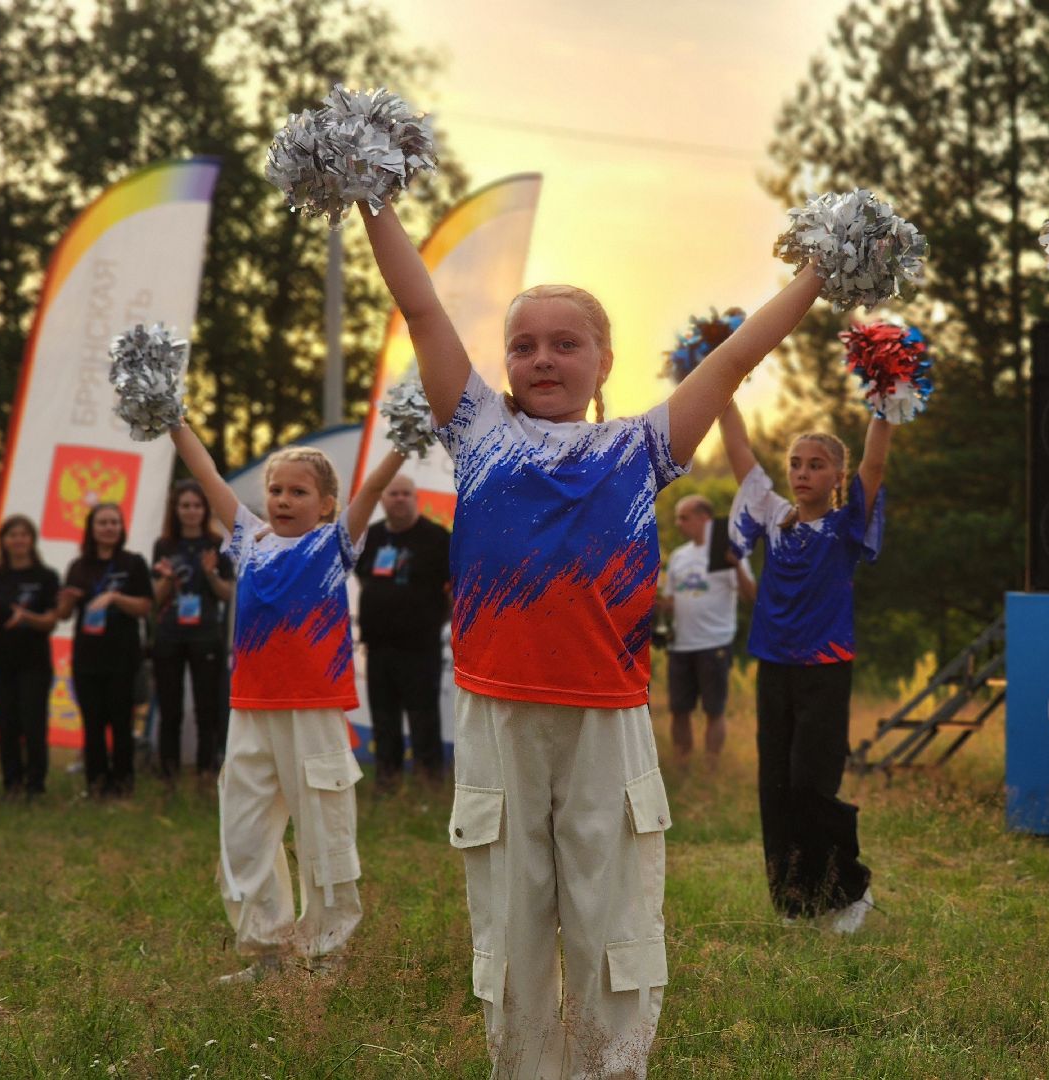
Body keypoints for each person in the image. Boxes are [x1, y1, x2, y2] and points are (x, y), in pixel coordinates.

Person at [360, 197, 822, 1077]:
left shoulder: (640, 447)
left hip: (607, 720)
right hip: (498, 718)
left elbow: (734, 359)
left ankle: (612, 1067)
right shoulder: (476, 429)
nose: (543, 358)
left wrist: (818, 273)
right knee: (514, 913)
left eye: (566, 343)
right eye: (524, 345)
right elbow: (419, 305)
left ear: (604, 361)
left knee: (612, 918)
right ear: (501, 364)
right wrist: (369, 195)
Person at [164, 420, 405, 984]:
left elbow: (369, 492)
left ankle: (323, 957)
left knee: (324, 831)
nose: (283, 500)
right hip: (250, 711)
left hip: (315, 711)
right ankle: (269, 956)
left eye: (298, 492)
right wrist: (174, 422)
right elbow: (206, 474)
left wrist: (403, 442)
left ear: (325, 505)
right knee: (244, 835)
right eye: (276, 490)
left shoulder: (333, 544)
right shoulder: (247, 539)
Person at [719, 402, 889, 935]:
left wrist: (885, 403)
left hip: (825, 669)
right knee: (775, 788)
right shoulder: (773, 516)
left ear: (837, 476)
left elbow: (876, 466)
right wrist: (723, 385)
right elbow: (739, 451)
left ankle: (851, 891)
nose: (801, 472)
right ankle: (795, 901)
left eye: (816, 464)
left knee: (811, 785)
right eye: (796, 462)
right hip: (774, 665)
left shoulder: (845, 525)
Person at [353, 473, 451, 790]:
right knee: (384, 719)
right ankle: (387, 779)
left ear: (415, 498)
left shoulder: (437, 538)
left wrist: (434, 619)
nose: (399, 499)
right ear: (382, 499)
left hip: (420, 647)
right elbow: (364, 577)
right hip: (379, 646)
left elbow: (453, 590)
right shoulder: (372, 536)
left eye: (405, 494)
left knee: (423, 717)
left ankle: (429, 779)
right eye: (393, 494)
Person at [56, 503, 153, 798]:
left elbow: (145, 607)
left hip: (123, 657)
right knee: (93, 725)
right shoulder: (79, 566)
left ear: (121, 529)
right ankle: (96, 785)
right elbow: (62, 615)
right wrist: (68, 601)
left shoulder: (133, 563)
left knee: (121, 725)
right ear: (92, 529)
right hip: (87, 658)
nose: (109, 528)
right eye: (103, 523)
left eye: (114, 523)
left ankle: (123, 786)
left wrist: (114, 597)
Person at [658, 494, 754, 761]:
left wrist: (737, 567)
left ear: (704, 518)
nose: (678, 523)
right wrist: (656, 602)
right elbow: (670, 602)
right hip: (680, 645)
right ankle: (682, 763)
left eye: (684, 517)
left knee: (714, 710)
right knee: (679, 709)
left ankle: (712, 767)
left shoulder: (729, 553)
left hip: (714, 643)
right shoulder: (678, 556)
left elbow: (751, 596)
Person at [151, 480, 233, 784]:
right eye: (185, 505)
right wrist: (168, 580)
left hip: (206, 635)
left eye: (196, 505)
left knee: (207, 708)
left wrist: (211, 573)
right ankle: (168, 774)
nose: (191, 511)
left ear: (205, 509)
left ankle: (206, 771)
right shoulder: (164, 546)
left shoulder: (217, 544)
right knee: (170, 708)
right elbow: (155, 599)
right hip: (169, 634)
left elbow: (226, 594)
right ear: (176, 509)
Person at [0, 516, 59, 797]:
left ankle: (35, 784)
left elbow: (51, 621)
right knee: (6, 724)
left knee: (33, 725)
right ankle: (12, 782)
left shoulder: (46, 577)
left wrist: (27, 617)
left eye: (23, 534)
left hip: (34, 662)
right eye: (12, 535)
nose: (18, 540)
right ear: (4, 542)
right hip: (0, 662)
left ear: (32, 540)